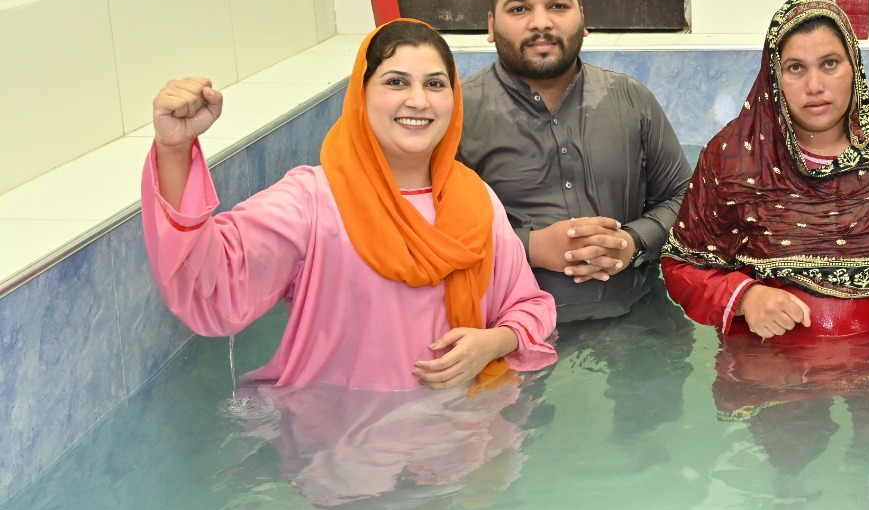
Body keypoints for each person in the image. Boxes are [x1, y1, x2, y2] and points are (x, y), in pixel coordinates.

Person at [143, 19, 558, 391]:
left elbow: (529, 306)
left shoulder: (475, 200)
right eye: (396, 82)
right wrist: (174, 150)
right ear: (362, 95)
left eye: (435, 84)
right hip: (344, 438)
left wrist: (492, 343)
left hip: (464, 431)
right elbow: (212, 281)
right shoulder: (313, 202)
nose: (419, 101)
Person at [661, 0, 869, 339]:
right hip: (765, 361)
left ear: (854, 65)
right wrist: (744, 297)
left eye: (829, 63)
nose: (815, 86)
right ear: (774, 76)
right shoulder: (733, 156)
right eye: (796, 68)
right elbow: (681, 262)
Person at [458, 0, 692, 323]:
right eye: (519, 9)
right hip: (511, 332)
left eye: (558, 6)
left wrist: (632, 242)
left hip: (638, 319)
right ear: (491, 25)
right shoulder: (457, 116)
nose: (541, 23)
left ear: (583, 18)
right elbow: (426, 230)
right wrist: (529, 248)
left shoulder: (631, 99)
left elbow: (687, 199)